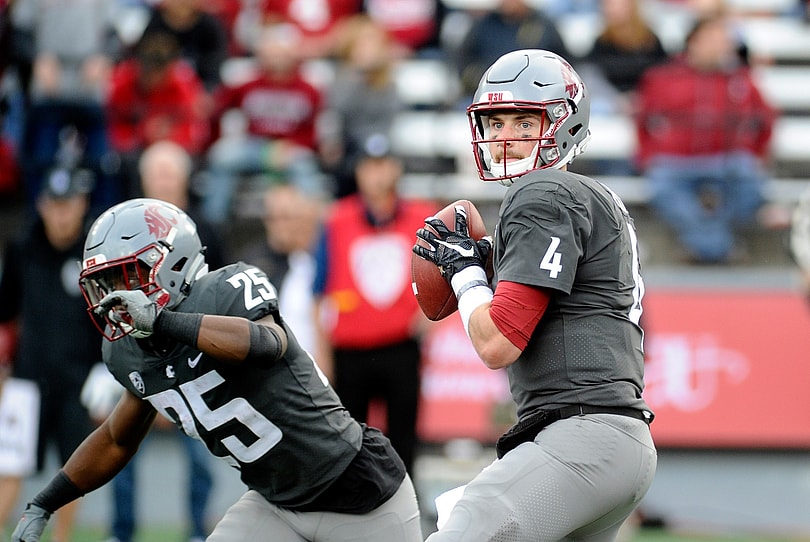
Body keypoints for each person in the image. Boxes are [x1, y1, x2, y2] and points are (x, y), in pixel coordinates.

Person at [9, 197, 423, 542]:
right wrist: (45, 500)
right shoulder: (128, 352)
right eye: (106, 284)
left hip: (361, 495)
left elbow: (267, 344)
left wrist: (165, 321)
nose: (117, 297)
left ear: (169, 264)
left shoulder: (224, 290)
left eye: (127, 277)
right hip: (275, 503)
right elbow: (117, 438)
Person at [411, 49, 656, 540]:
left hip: (581, 438)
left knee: (467, 524)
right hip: (612, 439)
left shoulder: (542, 193)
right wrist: (487, 263)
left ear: (563, 124)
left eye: (525, 122)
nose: (506, 137)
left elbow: (498, 342)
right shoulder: (588, 195)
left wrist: (464, 273)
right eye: (496, 121)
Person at [86, 139, 224, 542]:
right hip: (137, 353)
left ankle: (198, 529)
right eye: (157, 173)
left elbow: (220, 291)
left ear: (184, 179)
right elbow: (102, 299)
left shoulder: (204, 229)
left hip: (194, 356)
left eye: (170, 172)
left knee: (202, 452)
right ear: (143, 179)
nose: (163, 180)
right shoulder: (122, 232)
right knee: (122, 446)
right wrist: (103, 362)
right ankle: (121, 532)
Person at [313, 133, 435, 476]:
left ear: (395, 170)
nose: (377, 175)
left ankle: (405, 511)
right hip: (350, 350)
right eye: (370, 166)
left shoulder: (421, 218)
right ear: (359, 172)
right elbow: (317, 290)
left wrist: (428, 321)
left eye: (383, 166)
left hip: (401, 346)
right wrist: (322, 350)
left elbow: (446, 277)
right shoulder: (336, 220)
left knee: (405, 438)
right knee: (350, 441)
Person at [0, 167, 99, 542]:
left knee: (72, 472)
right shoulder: (23, 248)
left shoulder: (94, 253)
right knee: (10, 465)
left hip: (79, 381)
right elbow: (5, 313)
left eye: (68, 204)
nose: (61, 213)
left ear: (82, 204)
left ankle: (62, 540)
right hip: (28, 380)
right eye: (54, 204)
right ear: (42, 206)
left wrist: (106, 370)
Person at [634, 15, 777, 264]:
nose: (722, 46)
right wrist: (648, 156)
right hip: (676, 160)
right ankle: (720, 247)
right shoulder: (664, 77)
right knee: (662, 185)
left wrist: (757, 154)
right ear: (694, 41)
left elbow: (766, 118)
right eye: (714, 39)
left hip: (726, 159)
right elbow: (642, 119)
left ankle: (702, 246)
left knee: (752, 183)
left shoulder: (740, 78)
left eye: (724, 41)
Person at [201, 22, 327, 226]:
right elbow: (217, 110)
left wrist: (291, 147)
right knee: (222, 157)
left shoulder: (308, 90)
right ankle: (212, 226)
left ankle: (317, 227)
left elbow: (313, 131)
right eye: (271, 51)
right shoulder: (248, 84)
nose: (276, 58)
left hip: (290, 149)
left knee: (304, 168)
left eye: (281, 52)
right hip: (254, 146)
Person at [106, 29, 210, 201]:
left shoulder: (184, 83)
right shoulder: (123, 82)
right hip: (136, 148)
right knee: (124, 164)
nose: (154, 77)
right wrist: (142, 134)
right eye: (148, 69)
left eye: (159, 70)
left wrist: (170, 136)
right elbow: (112, 124)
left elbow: (196, 128)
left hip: (174, 147)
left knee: (174, 166)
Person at [320, 14, 405, 197]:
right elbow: (337, 112)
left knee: (383, 161)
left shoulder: (389, 83)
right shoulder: (341, 80)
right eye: (362, 44)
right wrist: (358, 73)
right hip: (348, 149)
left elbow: (389, 117)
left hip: (379, 147)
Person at [240, 184, 322, 355]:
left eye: (286, 217)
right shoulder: (251, 264)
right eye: (272, 218)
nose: (279, 226)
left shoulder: (316, 259)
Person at [451, 0, 570, 102]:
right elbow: (464, 62)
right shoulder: (483, 26)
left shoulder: (544, 26)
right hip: (491, 96)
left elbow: (562, 64)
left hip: (535, 98)